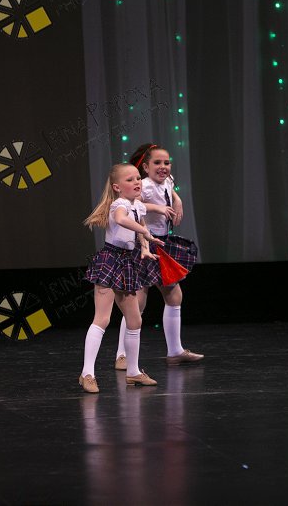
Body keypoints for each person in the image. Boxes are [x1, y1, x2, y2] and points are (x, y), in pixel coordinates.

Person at [115, 144, 203, 370]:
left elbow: (169, 186)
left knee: (174, 295)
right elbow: (133, 204)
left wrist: (177, 199)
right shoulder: (143, 185)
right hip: (143, 244)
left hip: (162, 244)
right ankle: (122, 355)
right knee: (138, 303)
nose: (163, 167)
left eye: (167, 162)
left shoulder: (168, 180)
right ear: (145, 167)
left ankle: (175, 351)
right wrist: (157, 208)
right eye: (157, 163)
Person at [79, 163, 165, 393]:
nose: (137, 182)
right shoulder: (119, 205)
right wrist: (144, 231)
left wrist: (145, 247)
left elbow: (140, 227)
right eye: (130, 180)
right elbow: (121, 220)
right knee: (102, 319)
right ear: (117, 187)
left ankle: (133, 371)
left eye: (137, 178)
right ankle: (87, 373)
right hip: (111, 260)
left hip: (127, 262)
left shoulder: (137, 206)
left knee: (135, 320)